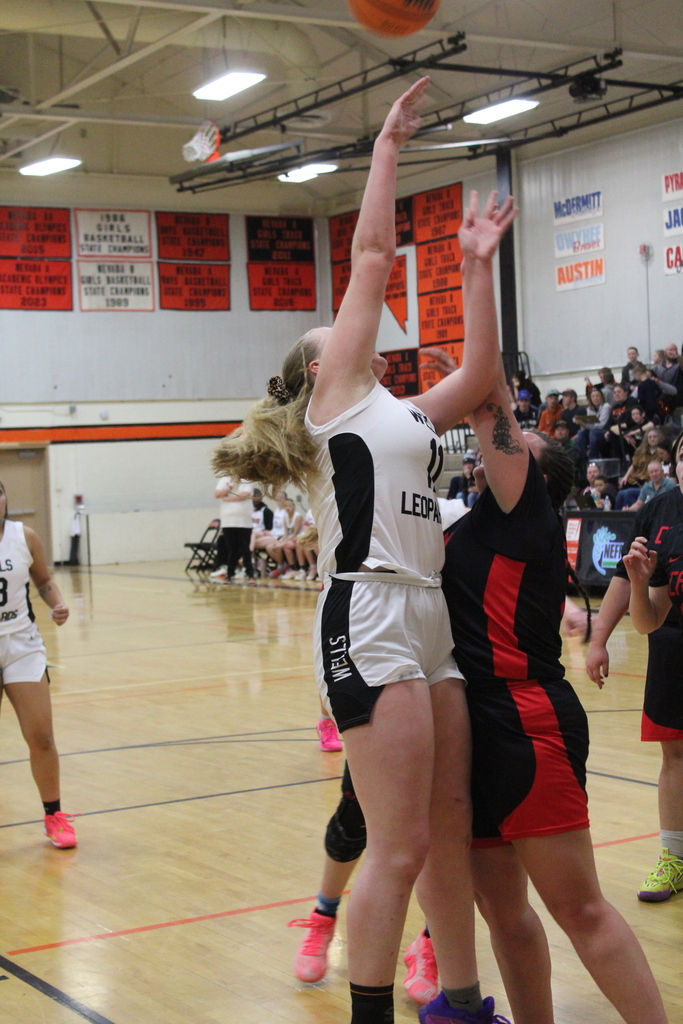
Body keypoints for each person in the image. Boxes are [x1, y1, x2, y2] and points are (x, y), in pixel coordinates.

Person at [213, 76, 518, 1024]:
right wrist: (386, 146)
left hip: (426, 608)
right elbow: (375, 256)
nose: (359, 331)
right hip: (368, 606)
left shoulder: (404, 411)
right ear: (321, 366)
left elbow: (480, 375)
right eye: (341, 331)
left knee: (448, 831)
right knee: (397, 845)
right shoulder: (336, 399)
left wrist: (476, 266)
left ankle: (459, 1003)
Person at [415, 347, 669, 1024]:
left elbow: (490, 406)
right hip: (470, 727)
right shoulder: (477, 523)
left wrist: (471, 366)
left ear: (534, 477)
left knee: (578, 909)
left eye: (518, 448)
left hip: (526, 721)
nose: (496, 452)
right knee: (502, 912)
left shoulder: (525, 511)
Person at [586, 430, 683, 902]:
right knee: (675, 756)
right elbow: (631, 587)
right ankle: (674, 858)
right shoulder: (659, 511)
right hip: (672, 647)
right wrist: (599, 639)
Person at [0, 481, 77, 849]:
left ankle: (54, 816)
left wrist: (57, 604)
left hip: (22, 644)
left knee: (42, 736)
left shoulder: (24, 536)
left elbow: (44, 580)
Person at [210, 475, 255, 581]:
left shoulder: (247, 480)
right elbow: (217, 494)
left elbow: (244, 495)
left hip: (244, 521)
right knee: (231, 549)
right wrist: (230, 487)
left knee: (245, 549)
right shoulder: (224, 480)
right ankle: (230, 574)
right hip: (228, 521)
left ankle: (250, 574)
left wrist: (227, 498)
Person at [264, 496, 302, 578]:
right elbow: (286, 534)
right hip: (289, 538)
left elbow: (295, 534)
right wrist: (280, 541)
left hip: (298, 538)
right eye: (286, 506)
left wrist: (281, 543)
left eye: (290, 506)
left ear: (294, 507)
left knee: (281, 546)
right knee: (270, 547)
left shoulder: (298, 516)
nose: (288, 508)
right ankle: (282, 566)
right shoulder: (285, 517)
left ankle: (291, 568)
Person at [576, 387, 612, 460]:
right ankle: (583, 459)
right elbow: (590, 423)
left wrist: (585, 425)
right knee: (580, 432)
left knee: (593, 432)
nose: (595, 398)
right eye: (593, 396)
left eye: (597, 396)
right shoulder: (589, 409)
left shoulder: (606, 407)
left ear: (601, 397)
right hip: (593, 430)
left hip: (604, 431)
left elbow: (601, 425)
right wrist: (581, 424)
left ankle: (593, 457)